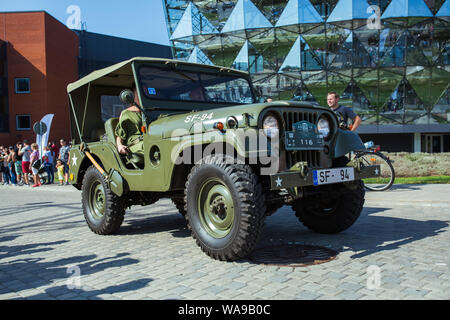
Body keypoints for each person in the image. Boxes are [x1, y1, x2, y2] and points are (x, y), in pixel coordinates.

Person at [115, 84, 144, 158]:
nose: (142, 95)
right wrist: (120, 146)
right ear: (132, 95)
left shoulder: (150, 112)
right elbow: (120, 135)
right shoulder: (126, 113)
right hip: (134, 144)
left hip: (149, 140)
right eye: (139, 93)